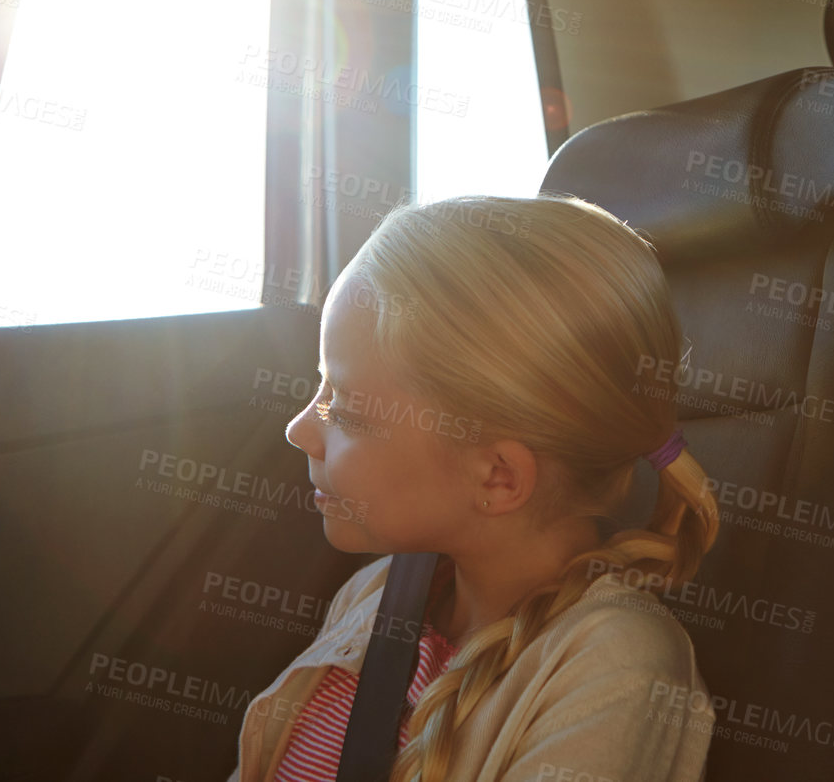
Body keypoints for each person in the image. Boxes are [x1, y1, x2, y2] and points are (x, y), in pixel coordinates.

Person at [228, 194, 719, 782]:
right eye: (320, 388)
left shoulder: (617, 670)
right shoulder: (375, 595)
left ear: (497, 476)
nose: (298, 429)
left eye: (347, 408)